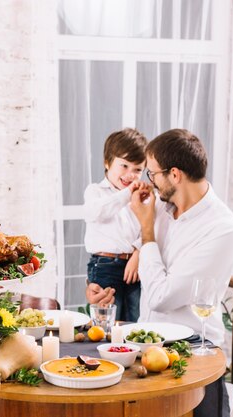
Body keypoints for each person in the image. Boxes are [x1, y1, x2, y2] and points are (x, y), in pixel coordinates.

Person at [129, 128, 233, 417]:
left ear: (175, 175)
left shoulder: (223, 229)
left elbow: (161, 297)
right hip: (148, 348)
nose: (149, 182)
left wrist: (146, 233)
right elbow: (139, 259)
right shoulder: (163, 210)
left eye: (152, 174)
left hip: (194, 357)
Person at [83, 128, 147, 321]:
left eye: (137, 170)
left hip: (136, 266)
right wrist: (128, 194)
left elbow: (151, 226)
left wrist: (137, 251)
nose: (130, 174)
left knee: (135, 321)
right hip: (105, 267)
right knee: (107, 322)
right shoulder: (95, 191)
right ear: (107, 162)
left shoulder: (143, 196)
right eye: (124, 166)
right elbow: (96, 213)